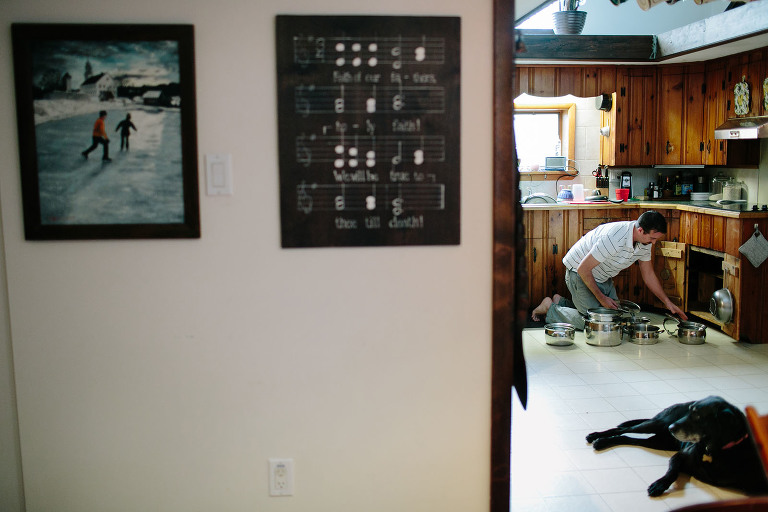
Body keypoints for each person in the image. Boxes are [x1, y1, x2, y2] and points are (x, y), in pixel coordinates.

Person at [531, 210, 687, 330]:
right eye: (652, 238)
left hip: (602, 277)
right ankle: (549, 309)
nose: (653, 243)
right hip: (578, 273)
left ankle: (561, 302)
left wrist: (667, 303)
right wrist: (602, 299)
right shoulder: (615, 238)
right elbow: (583, 269)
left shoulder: (643, 243)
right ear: (640, 231)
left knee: (615, 318)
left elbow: (648, 275)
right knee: (598, 323)